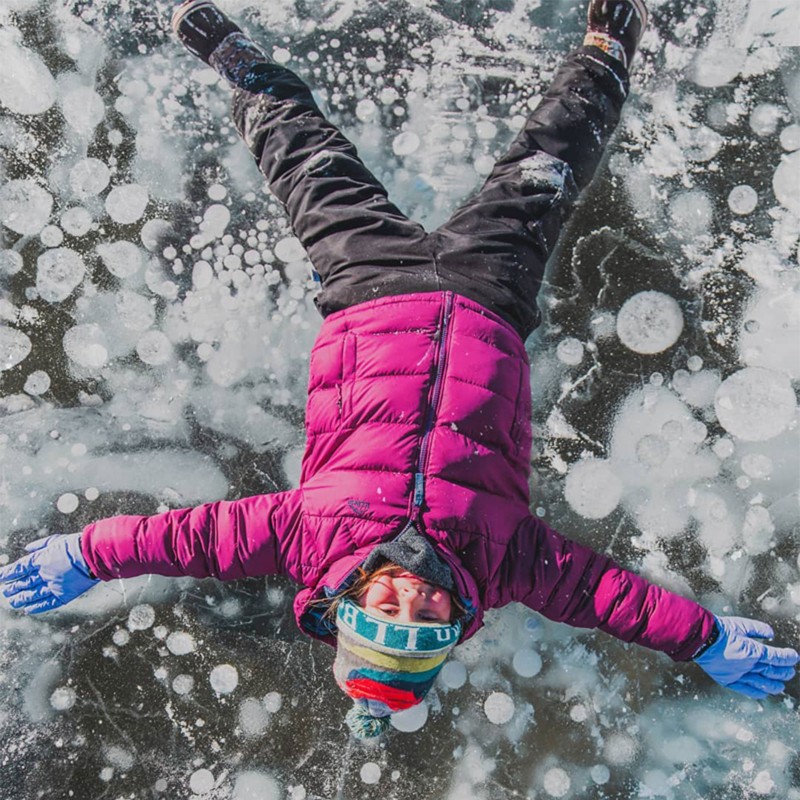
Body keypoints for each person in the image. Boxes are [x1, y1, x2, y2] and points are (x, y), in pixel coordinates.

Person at [1, 0, 797, 739]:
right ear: (454, 623)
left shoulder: (303, 536)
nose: (408, 597)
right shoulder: (503, 560)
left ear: (346, 608)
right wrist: (707, 639)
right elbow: (612, 600)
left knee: (304, 157)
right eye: (427, 623)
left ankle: (244, 66)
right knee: (554, 158)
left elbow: (175, 540)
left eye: (383, 616)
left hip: (367, 285)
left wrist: (83, 554)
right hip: (491, 289)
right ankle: (608, 47)